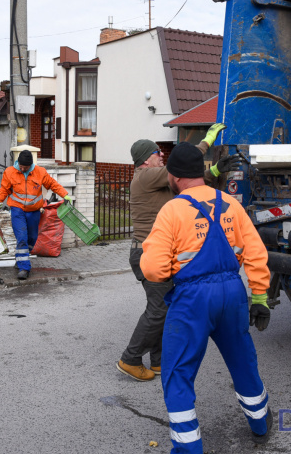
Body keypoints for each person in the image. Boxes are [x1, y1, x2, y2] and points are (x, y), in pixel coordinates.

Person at [141, 142, 273, 453]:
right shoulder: (230, 203)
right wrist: (260, 298)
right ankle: (260, 422)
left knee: (177, 374)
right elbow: (256, 252)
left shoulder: (171, 210)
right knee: (243, 362)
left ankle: (188, 448)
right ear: (201, 172)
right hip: (232, 294)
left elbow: (153, 269)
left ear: (174, 176)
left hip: (192, 300)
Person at [117, 123, 242, 382]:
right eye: (156, 153)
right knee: (159, 309)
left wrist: (216, 170)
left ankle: (159, 361)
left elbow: (188, 182)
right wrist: (206, 141)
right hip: (146, 255)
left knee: (165, 305)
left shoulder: (155, 180)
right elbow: (184, 164)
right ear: (144, 160)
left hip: (156, 252)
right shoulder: (145, 176)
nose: (161, 155)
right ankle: (130, 358)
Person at [0, 150, 73, 280]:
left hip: (34, 211)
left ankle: (20, 259)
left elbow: (52, 184)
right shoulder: (10, 172)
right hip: (17, 210)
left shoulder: (40, 172)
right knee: (22, 237)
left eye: (26, 167)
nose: (23, 169)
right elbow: (3, 189)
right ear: (18, 163)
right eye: (21, 166)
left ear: (31, 165)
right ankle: (24, 268)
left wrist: (65, 194)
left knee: (32, 238)